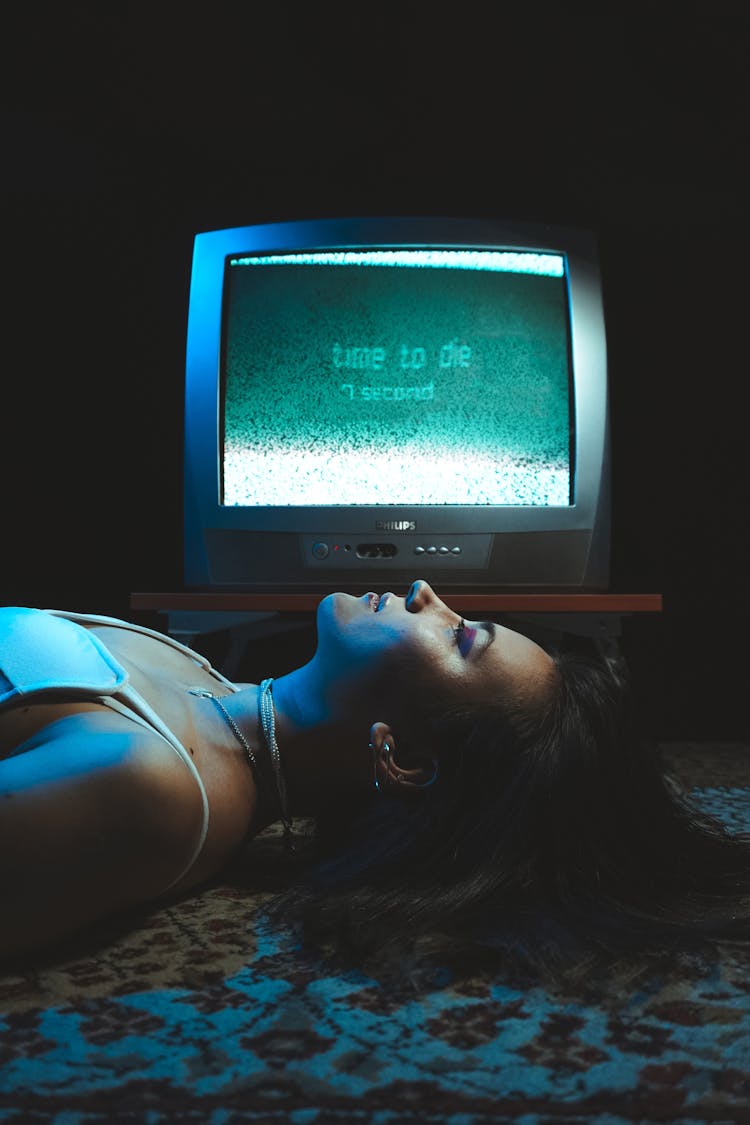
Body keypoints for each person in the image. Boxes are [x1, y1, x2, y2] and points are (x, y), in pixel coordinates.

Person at [1, 580, 749, 982]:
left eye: (460, 636)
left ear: (402, 760)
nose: (428, 590)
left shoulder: (152, 790)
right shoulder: (205, 676)